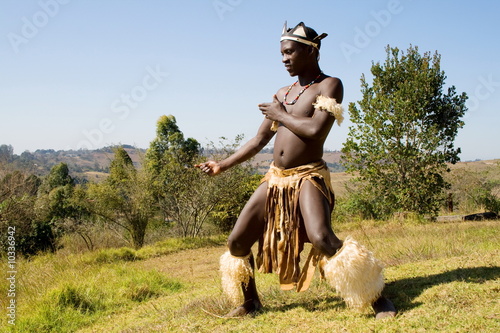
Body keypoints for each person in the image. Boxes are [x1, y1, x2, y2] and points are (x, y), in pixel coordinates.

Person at [196, 22, 396, 319]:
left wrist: (279, 115)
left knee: (322, 238)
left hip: (308, 176)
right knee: (237, 241)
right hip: (275, 178)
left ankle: (378, 299)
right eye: (282, 53)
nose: (284, 58)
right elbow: (260, 139)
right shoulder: (283, 93)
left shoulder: (329, 85)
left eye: (290, 52)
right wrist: (222, 165)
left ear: (310, 51)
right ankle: (250, 303)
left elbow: (316, 130)